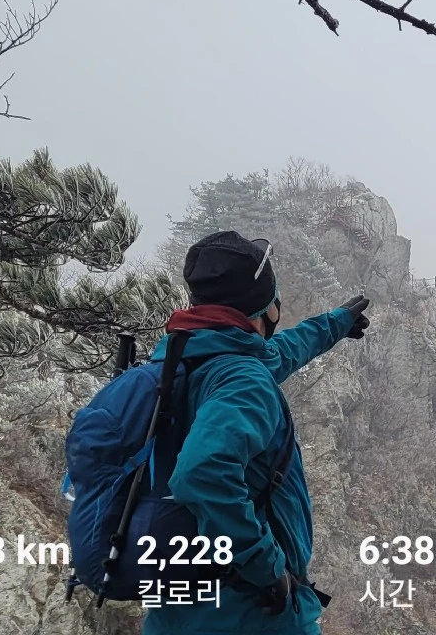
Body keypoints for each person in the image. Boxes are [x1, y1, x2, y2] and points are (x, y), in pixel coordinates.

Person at [141, 230, 370, 635]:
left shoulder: (188, 356)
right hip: (248, 611)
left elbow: (275, 356)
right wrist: (265, 568)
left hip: (179, 606)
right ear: (268, 308)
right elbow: (201, 474)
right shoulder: (242, 379)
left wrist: (334, 324)